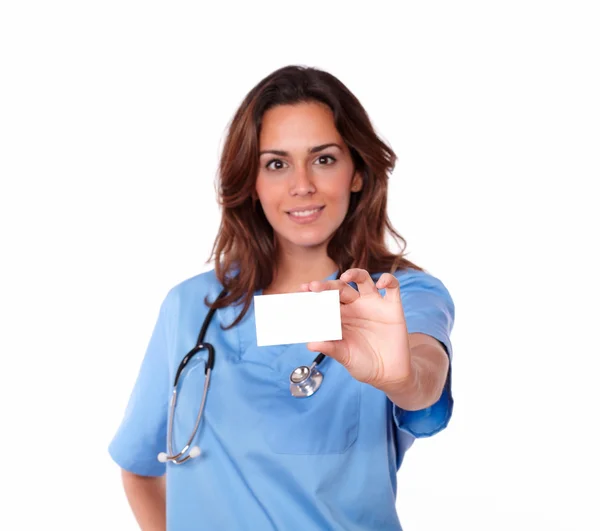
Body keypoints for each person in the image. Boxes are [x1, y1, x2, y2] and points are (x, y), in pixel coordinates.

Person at [109, 64, 455, 531]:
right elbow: (140, 465)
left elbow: (424, 374)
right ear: (251, 182)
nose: (302, 185)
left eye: (324, 159)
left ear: (357, 172)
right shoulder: (192, 306)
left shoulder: (394, 296)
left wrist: (402, 378)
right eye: (276, 164)